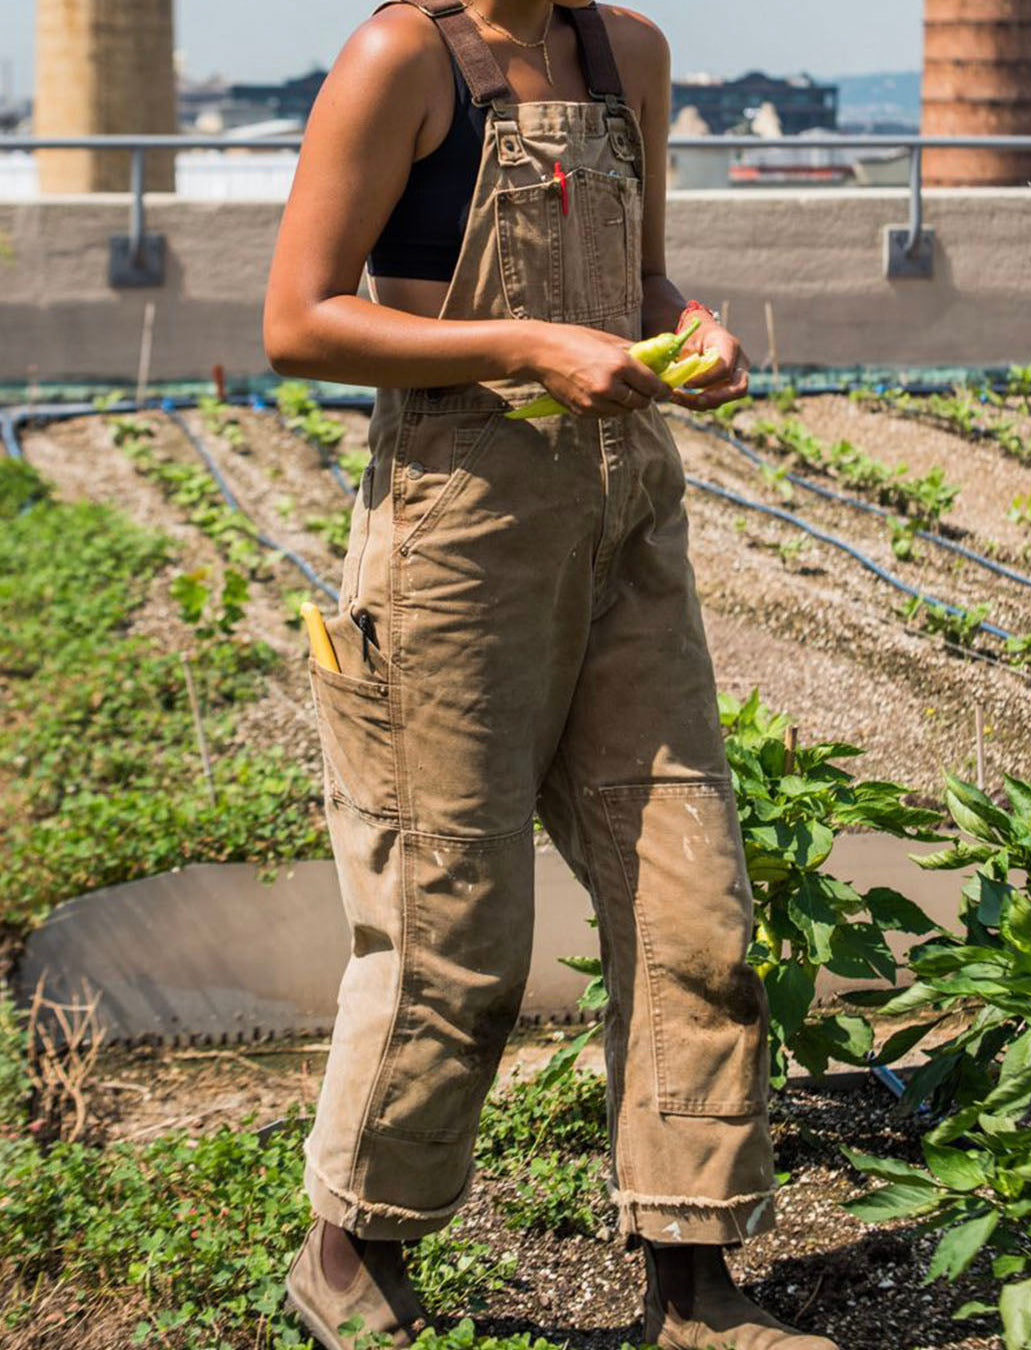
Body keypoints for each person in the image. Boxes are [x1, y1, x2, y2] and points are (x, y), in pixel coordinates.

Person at [263, 3, 837, 1348]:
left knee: (694, 901)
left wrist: (684, 327)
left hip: (626, 519)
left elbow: (635, 283)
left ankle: (694, 1279)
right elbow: (299, 320)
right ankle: (350, 1249)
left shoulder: (625, 53)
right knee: (451, 923)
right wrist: (523, 343)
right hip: (457, 535)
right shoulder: (398, 62)